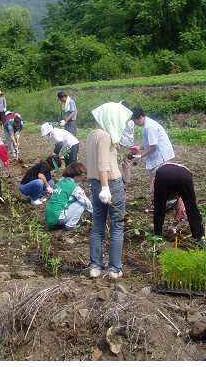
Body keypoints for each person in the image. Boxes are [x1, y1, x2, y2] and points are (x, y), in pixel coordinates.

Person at [86, 102, 132, 280]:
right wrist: (106, 188)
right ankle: (114, 269)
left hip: (95, 185)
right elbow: (103, 164)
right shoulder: (105, 136)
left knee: (97, 226)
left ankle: (95, 267)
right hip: (110, 184)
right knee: (117, 227)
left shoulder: (91, 134)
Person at [150, 163, 206, 245]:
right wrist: (174, 224)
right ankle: (200, 237)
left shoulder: (156, 180)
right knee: (192, 206)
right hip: (184, 176)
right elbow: (185, 207)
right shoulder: (184, 180)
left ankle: (158, 235)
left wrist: (173, 225)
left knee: (159, 206)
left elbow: (155, 202)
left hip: (165, 176)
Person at [131, 106, 175, 183]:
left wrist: (141, 155)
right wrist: (139, 148)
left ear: (140, 117)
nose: (135, 123)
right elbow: (151, 142)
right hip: (162, 155)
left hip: (161, 157)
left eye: (134, 121)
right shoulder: (148, 124)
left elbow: (154, 145)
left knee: (158, 180)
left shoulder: (149, 127)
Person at [45, 163, 93, 230]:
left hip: (48, 216)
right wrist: (93, 213)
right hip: (59, 218)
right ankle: (70, 225)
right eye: (81, 174)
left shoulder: (60, 183)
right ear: (76, 174)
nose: (81, 176)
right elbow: (86, 202)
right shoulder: (74, 187)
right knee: (82, 203)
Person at [117, 101, 136, 184]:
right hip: (129, 143)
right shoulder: (131, 119)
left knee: (119, 161)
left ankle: (120, 179)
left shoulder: (122, 119)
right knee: (127, 161)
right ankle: (126, 179)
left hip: (122, 142)